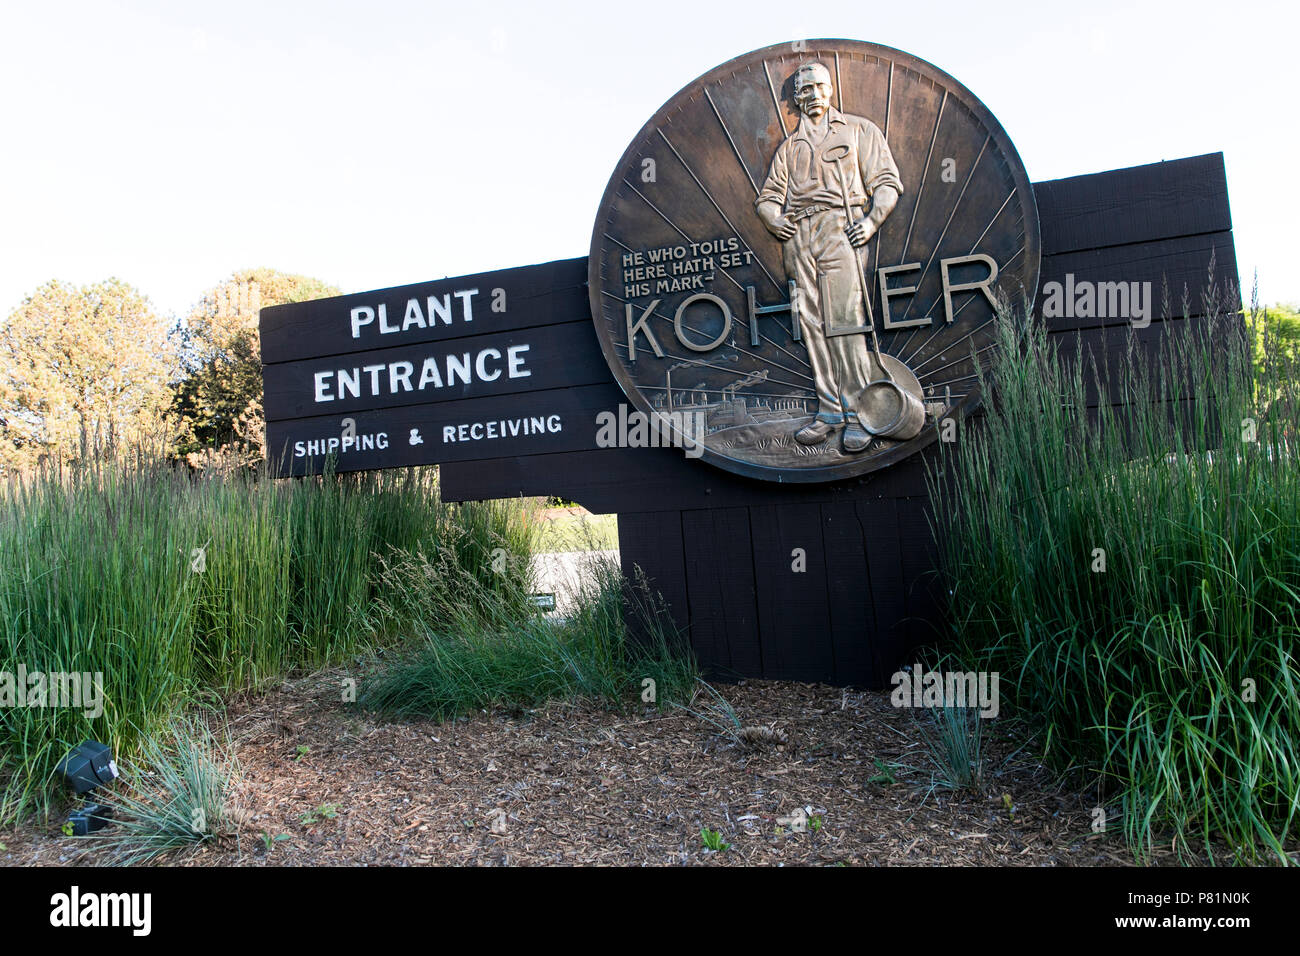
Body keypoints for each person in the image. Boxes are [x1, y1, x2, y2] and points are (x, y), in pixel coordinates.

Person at [756, 61, 904, 452]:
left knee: (845, 322)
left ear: (831, 89)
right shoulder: (789, 148)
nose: (812, 95)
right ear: (796, 99)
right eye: (803, 90)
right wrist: (773, 219)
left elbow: (887, 183)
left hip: (843, 228)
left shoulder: (858, 131)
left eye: (819, 86)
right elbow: (768, 199)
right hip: (800, 236)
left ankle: (860, 414)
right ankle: (830, 412)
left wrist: (872, 221)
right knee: (811, 324)